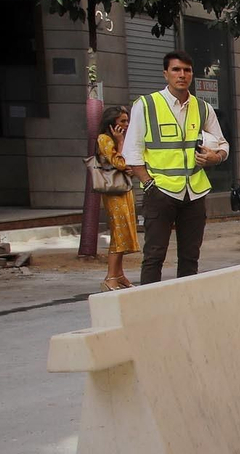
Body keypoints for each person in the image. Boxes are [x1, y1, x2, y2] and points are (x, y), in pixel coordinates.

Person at [125, 50, 229, 284]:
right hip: (160, 191)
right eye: (176, 70)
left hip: (194, 192)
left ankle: (186, 301)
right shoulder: (146, 105)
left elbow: (222, 144)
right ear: (166, 74)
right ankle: (150, 302)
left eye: (187, 70)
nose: (182, 75)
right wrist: (148, 184)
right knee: (154, 256)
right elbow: (132, 151)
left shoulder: (202, 108)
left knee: (190, 257)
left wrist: (216, 157)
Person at [95, 106, 137, 291]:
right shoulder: (104, 139)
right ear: (112, 123)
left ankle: (119, 274)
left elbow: (128, 165)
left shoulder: (118, 139)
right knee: (118, 233)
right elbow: (119, 163)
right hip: (113, 193)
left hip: (124, 190)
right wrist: (120, 142)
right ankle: (111, 276)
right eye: (122, 121)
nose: (126, 125)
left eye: (127, 121)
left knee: (125, 232)